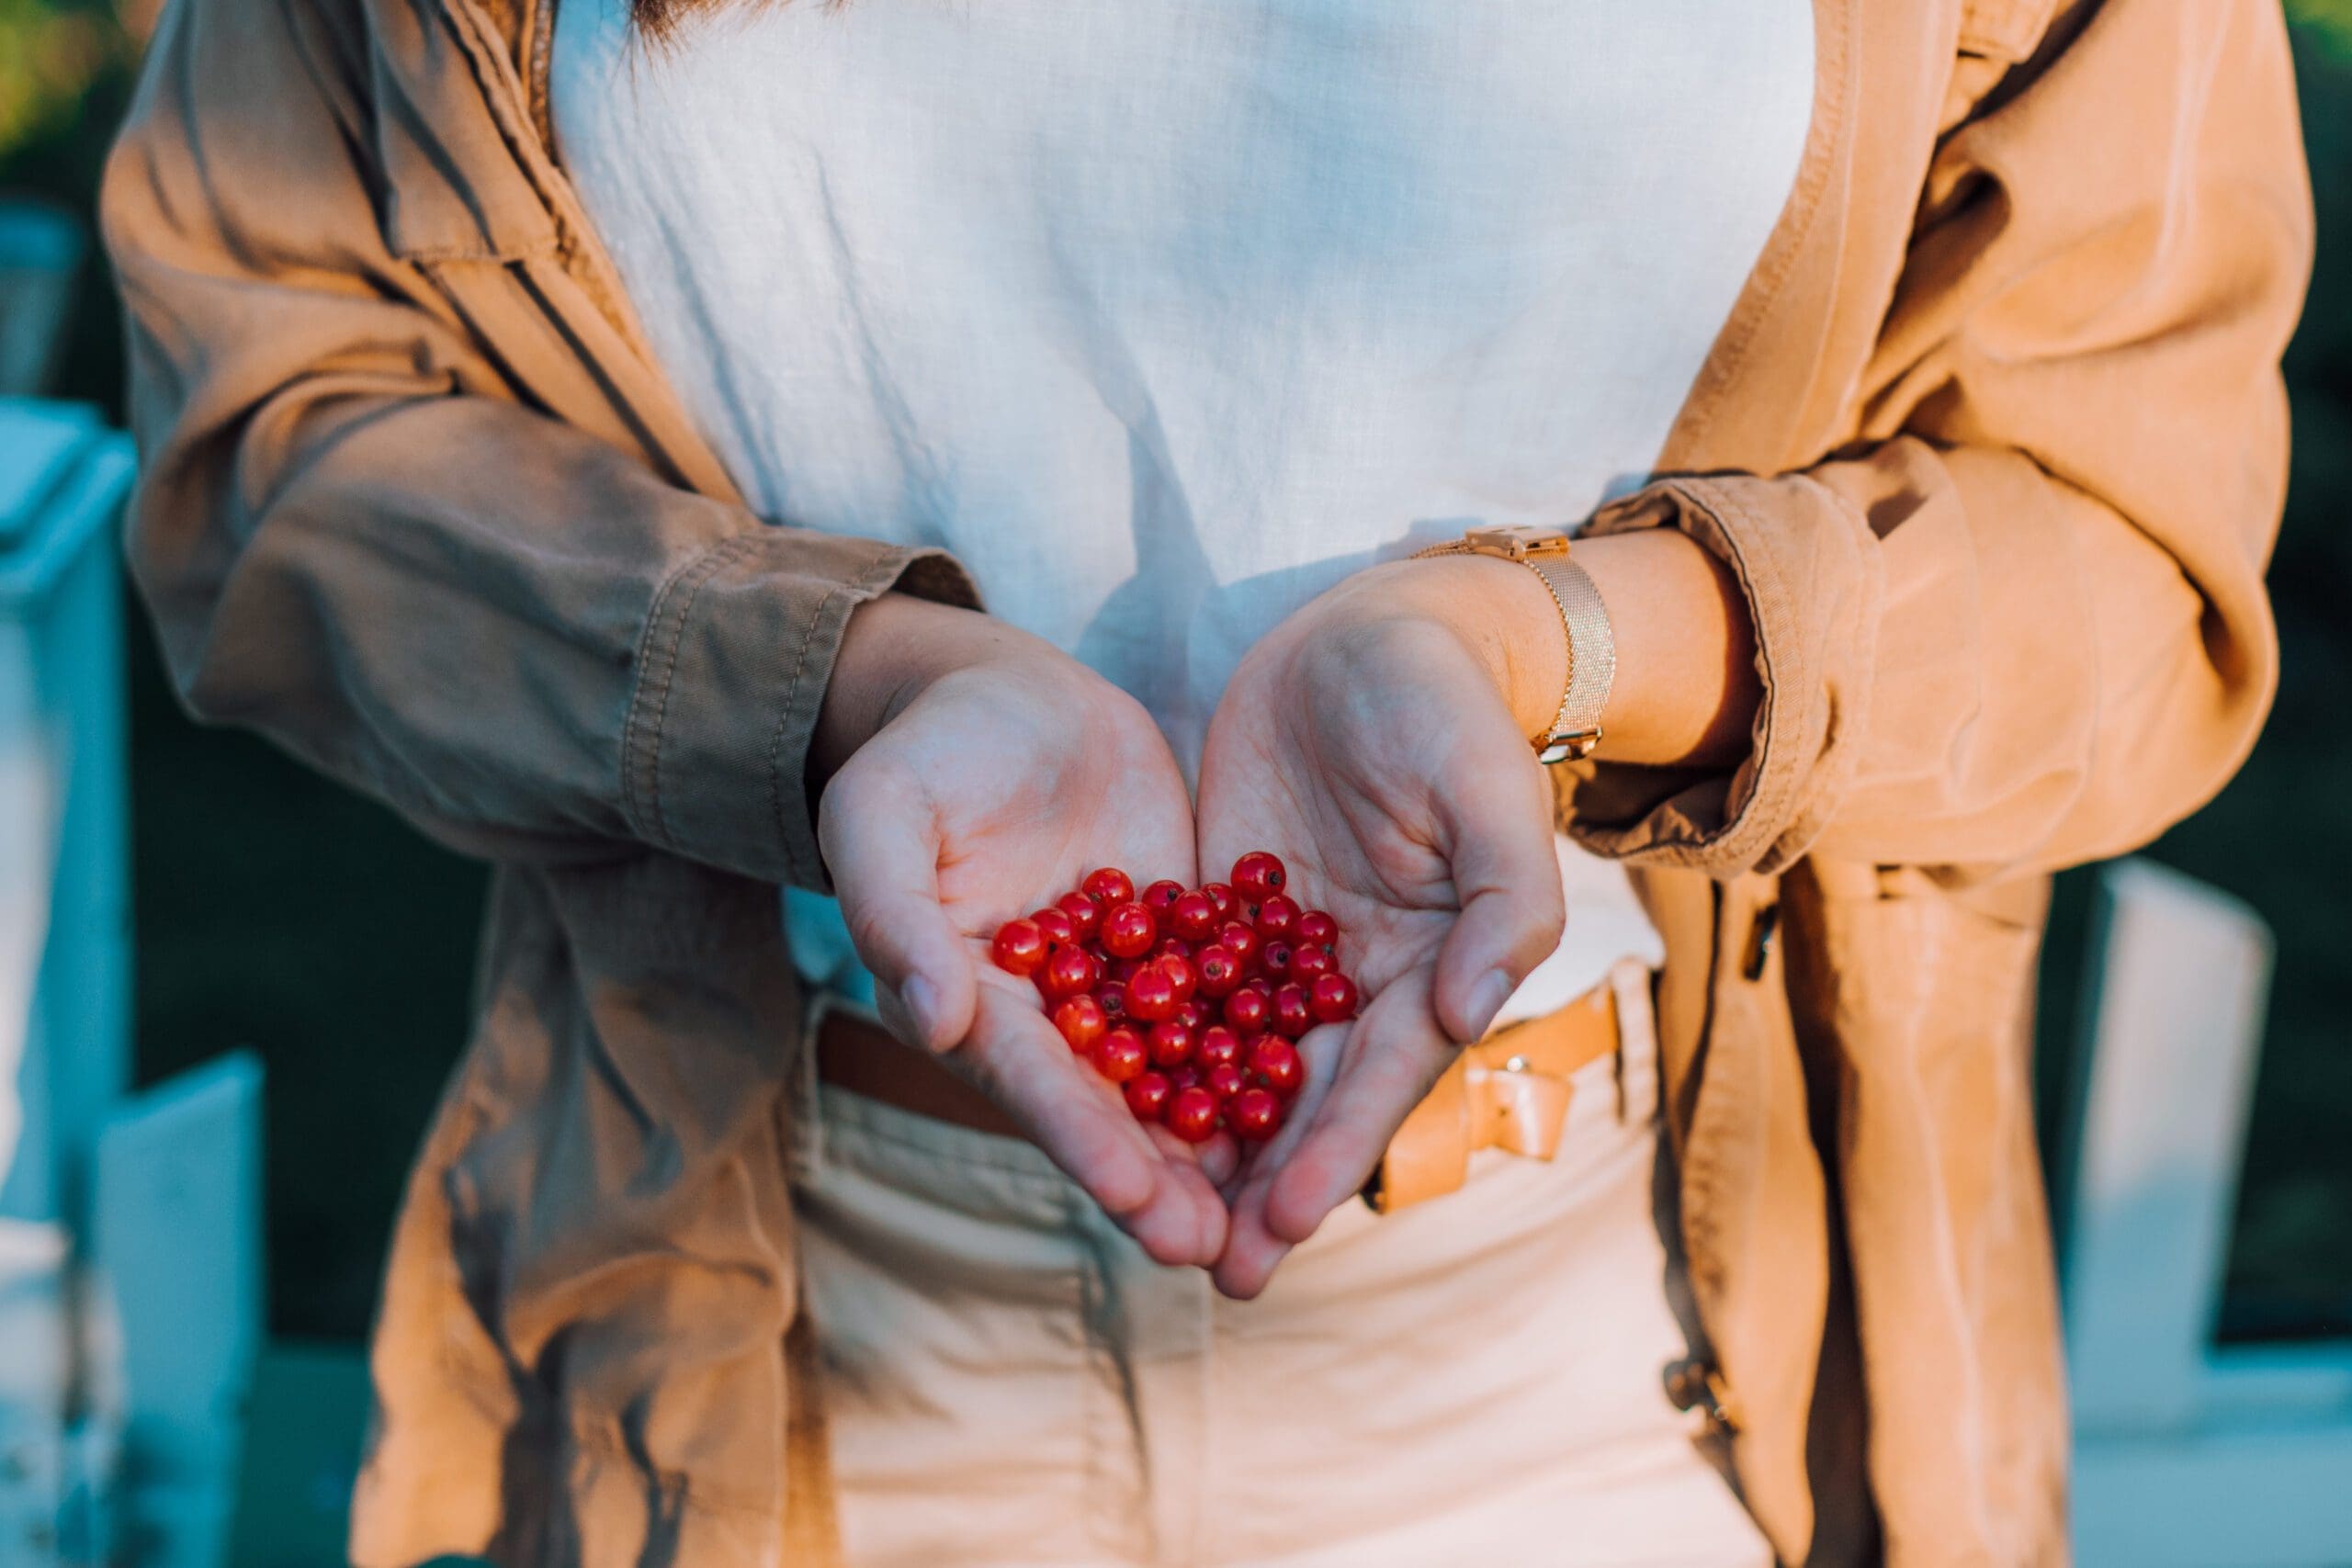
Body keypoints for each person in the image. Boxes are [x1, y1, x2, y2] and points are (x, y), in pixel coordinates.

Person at [101, 0, 2311, 1562]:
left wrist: (1552, 644)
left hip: (1587, 1339)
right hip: (795, 1318)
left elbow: (2126, 555)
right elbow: (271, 442)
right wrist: (847, 678)